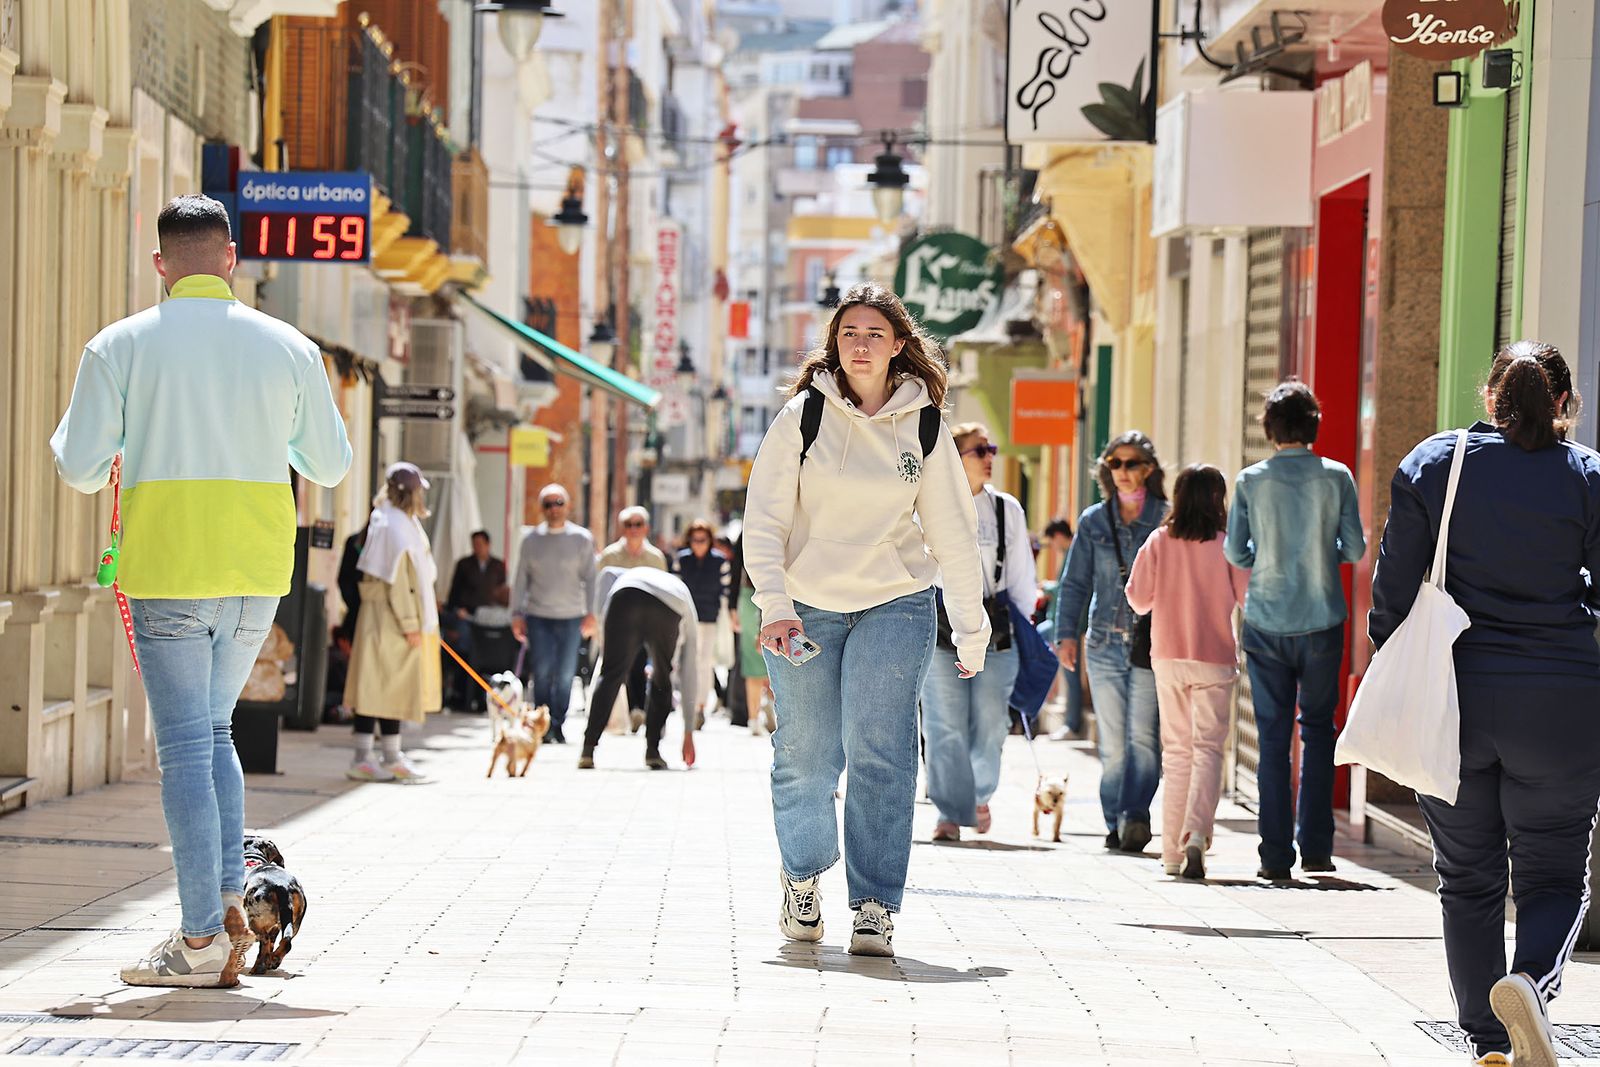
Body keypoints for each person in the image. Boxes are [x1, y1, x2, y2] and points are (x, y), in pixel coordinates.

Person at [49, 194, 353, 988]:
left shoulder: (118, 347)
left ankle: (196, 941)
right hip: (255, 570)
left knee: (186, 742)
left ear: (160, 264)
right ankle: (222, 912)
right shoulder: (289, 347)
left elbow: (78, 466)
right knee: (212, 732)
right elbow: (329, 464)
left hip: (171, 564)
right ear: (229, 260)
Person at [743, 283, 989, 959]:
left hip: (896, 600)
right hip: (806, 604)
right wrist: (775, 603)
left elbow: (953, 534)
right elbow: (764, 519)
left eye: (875, 333)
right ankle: (801, 877)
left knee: (882, 751)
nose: (861, 344)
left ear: (899, 345)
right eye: (850, 332)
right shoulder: (803, 417)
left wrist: (971, 630)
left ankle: (875, 903)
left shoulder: (925, 424)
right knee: (807, 754)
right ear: (835, 343)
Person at [1371, 342, 1600, 1067]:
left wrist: (1398, 668)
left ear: (1489, 397)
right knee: (1557, 875)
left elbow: (1392, 593)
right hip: (1560, 707)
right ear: (1562, 403)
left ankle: (1488, 1040)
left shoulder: (1435, 464)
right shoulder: (1588, 476)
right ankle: (1529, 981)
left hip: (1452, 700)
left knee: (1466, 875)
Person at [1226, 380, 1365, 880]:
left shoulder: (1250, 480)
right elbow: (1354, 549)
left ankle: (1274, 856)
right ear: (1314, 425)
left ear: (1269, 428)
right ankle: (1318, 850)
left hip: (1264, 619)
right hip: (1323, 616)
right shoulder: (1337, 477)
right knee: (1319, 731)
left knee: (1272, 738)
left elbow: (1235, 552)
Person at [1125, 465, 1248, 880]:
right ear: (1219, 500)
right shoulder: (1227, 545)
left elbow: (1138, 600)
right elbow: (1247, 597)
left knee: (1176, 753)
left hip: (1169, 658)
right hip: (1215, 658)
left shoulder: (1159, 541)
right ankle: (1197, 835)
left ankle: (1171, 852)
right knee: (1208, 750)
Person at [1052, 432, 1168, 854]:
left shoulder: (1167, 518)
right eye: (1114, 464)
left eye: (1131, 463)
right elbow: (1075, 582)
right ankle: (1115, 820)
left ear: (1149, 468)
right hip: (1102, 643)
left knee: (1143, 738)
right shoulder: (1094, 521)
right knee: (1115, 744)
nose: (1122, 471)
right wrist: (1067, 633)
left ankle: (1135, 815)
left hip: (1150, 646)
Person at [920, 422, 1035, 842]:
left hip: (997, 631)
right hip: (939, 628)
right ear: (955, 457)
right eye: (979, 450)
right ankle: (950, 811)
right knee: (943, 724)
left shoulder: (1007, 509)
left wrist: (1024, 628)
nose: (989, 457)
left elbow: (1023, 575)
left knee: (990, 725)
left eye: (991, 448)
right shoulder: (928, 506)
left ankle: (979, 792)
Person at [343, 462, 441, 783]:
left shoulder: (391, 520)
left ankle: (386, 755)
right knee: (380, 687)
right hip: (391, 617)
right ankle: (372, 757)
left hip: (385, 616)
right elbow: (399, 579)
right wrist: (411, 622)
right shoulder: (394, 525)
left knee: (383, 687)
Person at [581, 566, 702, 770]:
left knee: (611, 673)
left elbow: (606, 574)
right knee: (662, 676)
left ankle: (587, 750)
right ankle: (652, 751)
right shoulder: (682, 594)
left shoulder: (624, 575)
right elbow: (689, 668)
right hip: (668, 605)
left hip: (624, 596)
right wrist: (688, 731)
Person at [509, 484, 597, 744]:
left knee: (565, 673)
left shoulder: (581, 539)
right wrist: (515, 613)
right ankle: (541, 725)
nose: (554, 509)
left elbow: (591, 578)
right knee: (543, 671)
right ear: (542, 509)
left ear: (567, 506)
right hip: (538, 615)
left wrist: (592, 613)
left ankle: (558, 723)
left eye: (558, 503)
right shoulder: (531, 540)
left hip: (571, 616)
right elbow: (520, 579)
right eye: (548, 504)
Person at [596, 505, 668, 729]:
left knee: (642, 665)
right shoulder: (609, 556)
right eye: (629, 524)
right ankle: (618, 717)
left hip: (648, 622)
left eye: (638, 524)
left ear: (646, 527)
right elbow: (600, 589)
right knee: (616, 669)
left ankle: (641, 711)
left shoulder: (656, 557)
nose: (634, 529)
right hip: (617, 623)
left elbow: (664, 590)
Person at [671, 519, 732, 730]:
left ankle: (700, 707)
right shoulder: (682, 560)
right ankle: (685, 702)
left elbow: (725, 592)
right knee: (685, 660)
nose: (698, 544)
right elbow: (675, 587)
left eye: (702, 540)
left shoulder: (720, 561)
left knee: (705, 663)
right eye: (694, 540)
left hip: (709, 618)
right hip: (685, 618)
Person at [442, 530, 509, 710]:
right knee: (466, 646)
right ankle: (462, 692)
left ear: (488, 544)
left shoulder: (497, 565)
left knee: (493, 648)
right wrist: (456, 610)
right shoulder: (464, 564)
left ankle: (483, 696)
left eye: (480, 544)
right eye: (474, 544)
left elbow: (503, 593)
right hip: (467, 616)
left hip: (489, 618)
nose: (477, 548)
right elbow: (454, 592)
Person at [1040, 516, 1085, 740]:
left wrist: (1048, 586)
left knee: (1071, 675)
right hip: (1060, 623)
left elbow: (1069, 589)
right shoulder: (1071, 554)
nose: (1053, 548)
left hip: (1068, 625)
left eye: (1052, 543)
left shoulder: (1074, 554)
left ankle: (1072, 724)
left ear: (1058, 537)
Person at [730, 533, 774, 736]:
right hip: (749, 596)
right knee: (753, 659)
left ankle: (772, 712)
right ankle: (754, 718)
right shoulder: (746, 529)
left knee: (776, 654)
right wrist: (732, 607)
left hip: (778, 594)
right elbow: (735, 568)